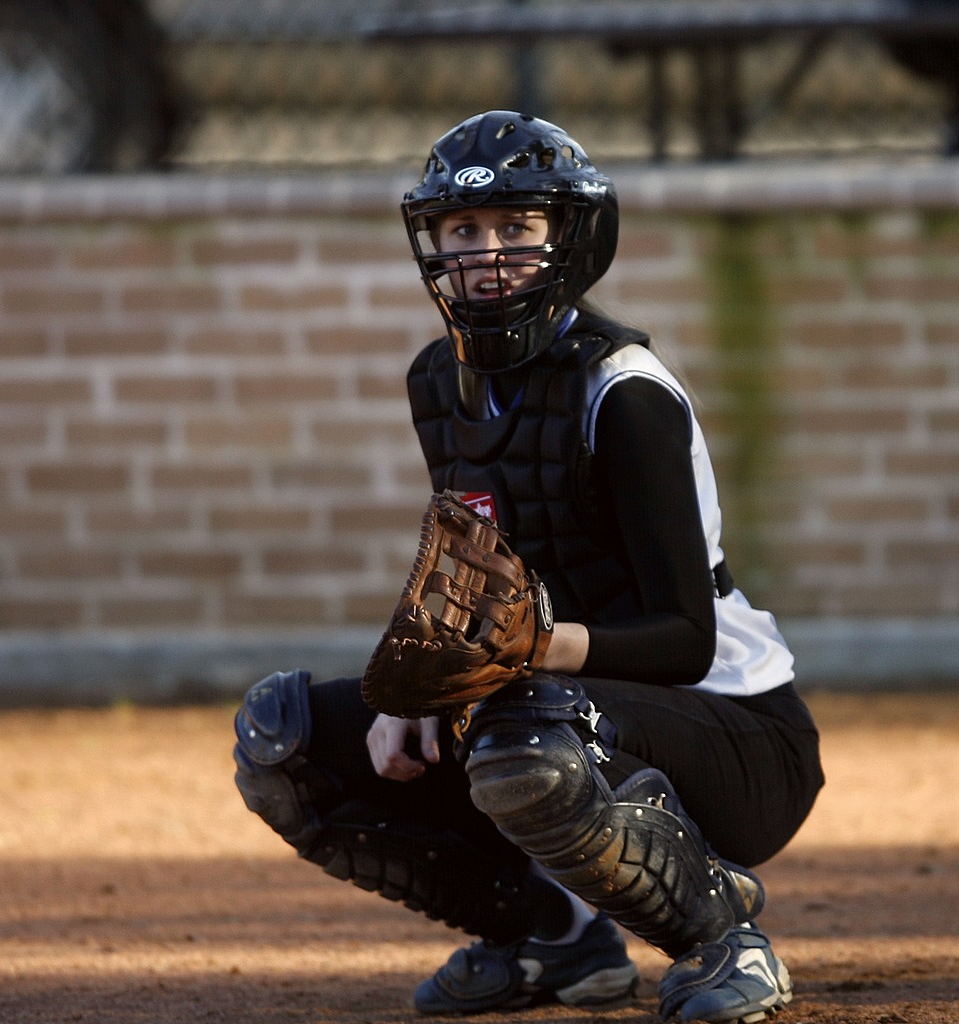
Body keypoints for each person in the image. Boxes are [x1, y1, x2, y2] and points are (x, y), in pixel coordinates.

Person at [232, 110, 824, 1023]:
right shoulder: (440, 382)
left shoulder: (624, 393)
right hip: (558, 699)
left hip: (739, 734)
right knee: (284, 738)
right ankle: (555, 939)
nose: (488, 251)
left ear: (570, 239)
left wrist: (532, 651)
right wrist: (413, 692)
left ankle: (723, 939)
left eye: (518, 227)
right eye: (462, 230)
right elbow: (473, 574)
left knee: (523, 730)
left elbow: (683, 640)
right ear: (431, 243)